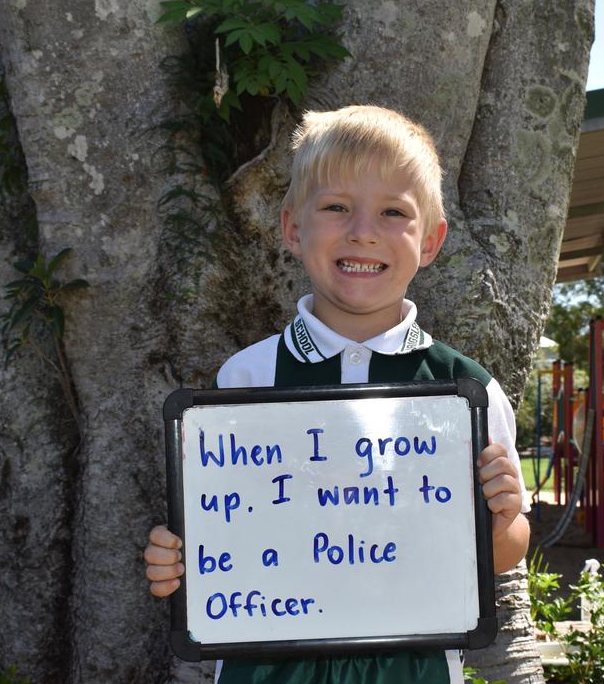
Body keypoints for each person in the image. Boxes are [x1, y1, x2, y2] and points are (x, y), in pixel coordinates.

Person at [145, 105, 531, 684]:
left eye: (394, 212)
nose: (363, 231)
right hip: (264, 664)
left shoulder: (466, 391)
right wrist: (179, 560)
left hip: (413, 666)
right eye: (335, 207)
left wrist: (501, 521)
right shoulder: (244, 380)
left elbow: (503, 555)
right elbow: (220, 536)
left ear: (430, 241)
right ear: (293, 228)